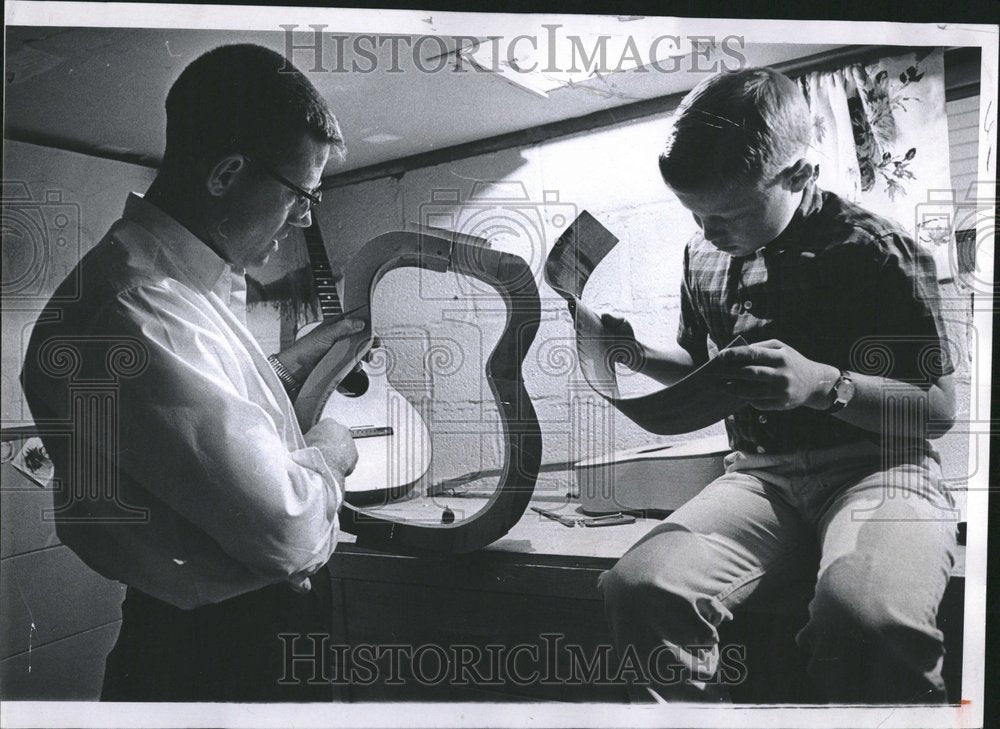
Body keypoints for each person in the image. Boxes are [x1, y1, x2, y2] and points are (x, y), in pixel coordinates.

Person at [596, 67, 958, 703]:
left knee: (866, 619)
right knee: (640, 587)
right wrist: (632, 354)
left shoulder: (878, 249)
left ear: (799, 174)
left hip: (882, 469)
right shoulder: (704, 254)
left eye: (729, 213)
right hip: (762, 477)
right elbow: (709, 375)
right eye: (695, 213)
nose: (709, 232)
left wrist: (823, 385)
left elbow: (938, 409)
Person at [21, 44, 364, 702]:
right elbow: (289, 526)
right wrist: (331, 447)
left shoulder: (171, 284)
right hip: (210, 661)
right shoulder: (138, 305)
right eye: (299, 196)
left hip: (218, 640)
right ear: (226, 172)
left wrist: (275, 382)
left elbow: (181, 452)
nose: (302, 219)